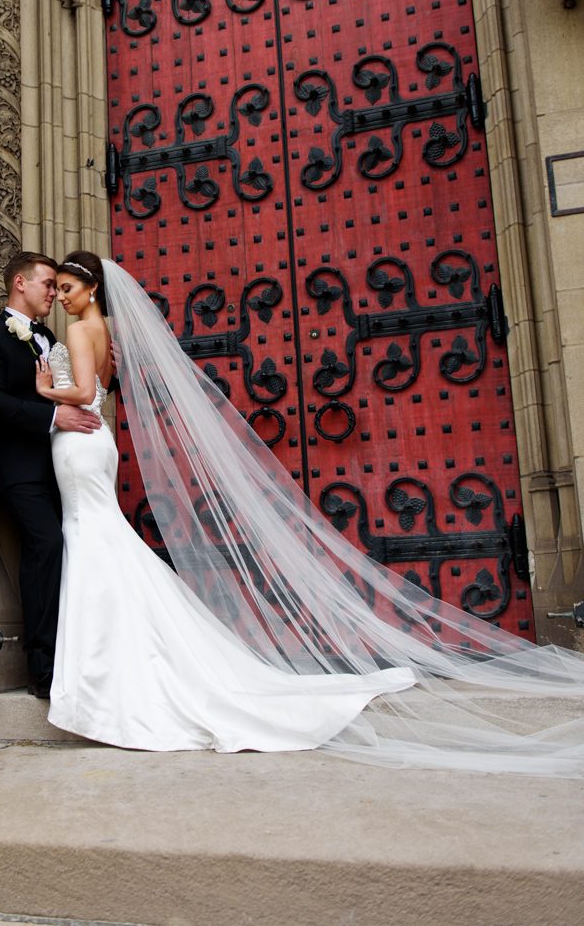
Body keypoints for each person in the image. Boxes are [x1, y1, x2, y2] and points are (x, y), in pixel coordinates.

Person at [33, 251, 584, 773]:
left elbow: (83, 393)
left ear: (93, 288)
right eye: (57, 288)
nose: (62, 296)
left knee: (92, 540)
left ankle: (100, 677)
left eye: (69, 287)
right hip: (97, 444)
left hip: (78, 441)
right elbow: (103, 388)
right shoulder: (106, 332)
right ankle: (115, 666)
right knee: (102, 543)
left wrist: (43, 391)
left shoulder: (79, 330)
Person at [0, 251, 100, 697]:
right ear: (19, 283)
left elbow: (79, 388)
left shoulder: (52, 338)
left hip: (63, 464)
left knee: (78, 545)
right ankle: (42, 668)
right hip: (19, 467)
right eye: (47, 283)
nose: (53, 293)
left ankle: (81, 656)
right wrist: (53, 417)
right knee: (46, 544)